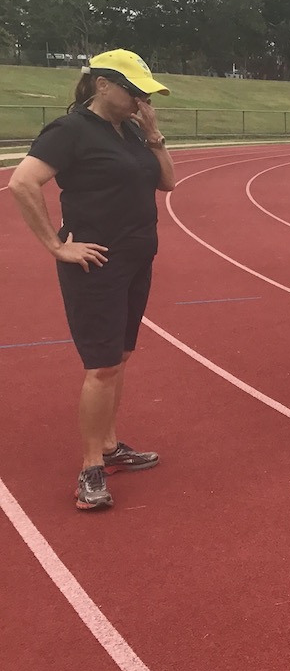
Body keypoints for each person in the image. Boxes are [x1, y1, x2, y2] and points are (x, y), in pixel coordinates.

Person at [8, 50, 175, 511]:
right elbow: (23, 182)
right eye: (133, 90)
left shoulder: (130, 133)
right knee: (101, 365)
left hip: (137, 257)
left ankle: (109, 445)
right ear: (102, 84)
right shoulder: (71, 130)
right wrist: (57, 246)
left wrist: (155, 136)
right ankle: (89, 469)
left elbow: (168, 185)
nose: (140, 98)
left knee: (118, 356)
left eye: (145, 92)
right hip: (96, 263)